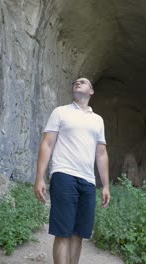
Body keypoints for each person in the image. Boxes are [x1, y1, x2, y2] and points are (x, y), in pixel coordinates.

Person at [34, 77, 110, 264]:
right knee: (63, 233)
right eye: (75, 82)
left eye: (83, 82)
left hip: (88, 181)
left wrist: (106, 185)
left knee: (78, 234)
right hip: (64, 175)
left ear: (91, 91)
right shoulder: (60, 112)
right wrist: (40, 178)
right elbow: (47, 143)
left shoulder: (97, 120)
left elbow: (101, 153)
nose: (78, 82)